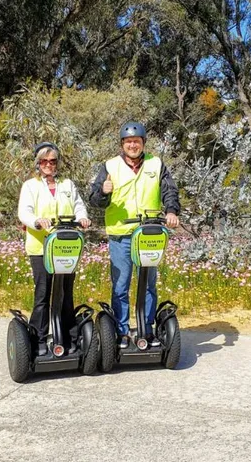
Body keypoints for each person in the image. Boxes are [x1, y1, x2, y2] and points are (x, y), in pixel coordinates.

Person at [89, 122, 180, 349]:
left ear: (143, 143)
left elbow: (169, 189)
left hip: (149, 233)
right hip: (121, 234)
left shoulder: (156, 164)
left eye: (136, 141)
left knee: (148, 284)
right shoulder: (110, 166)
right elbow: (94, 199)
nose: (132, 145)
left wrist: (171, 211)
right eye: (128, 142)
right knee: (120, 285)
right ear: (122, 144)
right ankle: (120, 332)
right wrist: (103, 192)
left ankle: (146, 329)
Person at [17, 142, 91, 356]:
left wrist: (83, 218)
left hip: (65, 247)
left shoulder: (67, 184)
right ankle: (39, 339)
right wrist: (37, 221)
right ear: (38, 163)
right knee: (43, 293)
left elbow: (78, 205)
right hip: (40, 248)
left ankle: (69, 338)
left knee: (66, 294)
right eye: (44, 161)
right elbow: (25, 212)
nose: (49, 165)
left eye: (53, 161)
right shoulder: (30, 186)